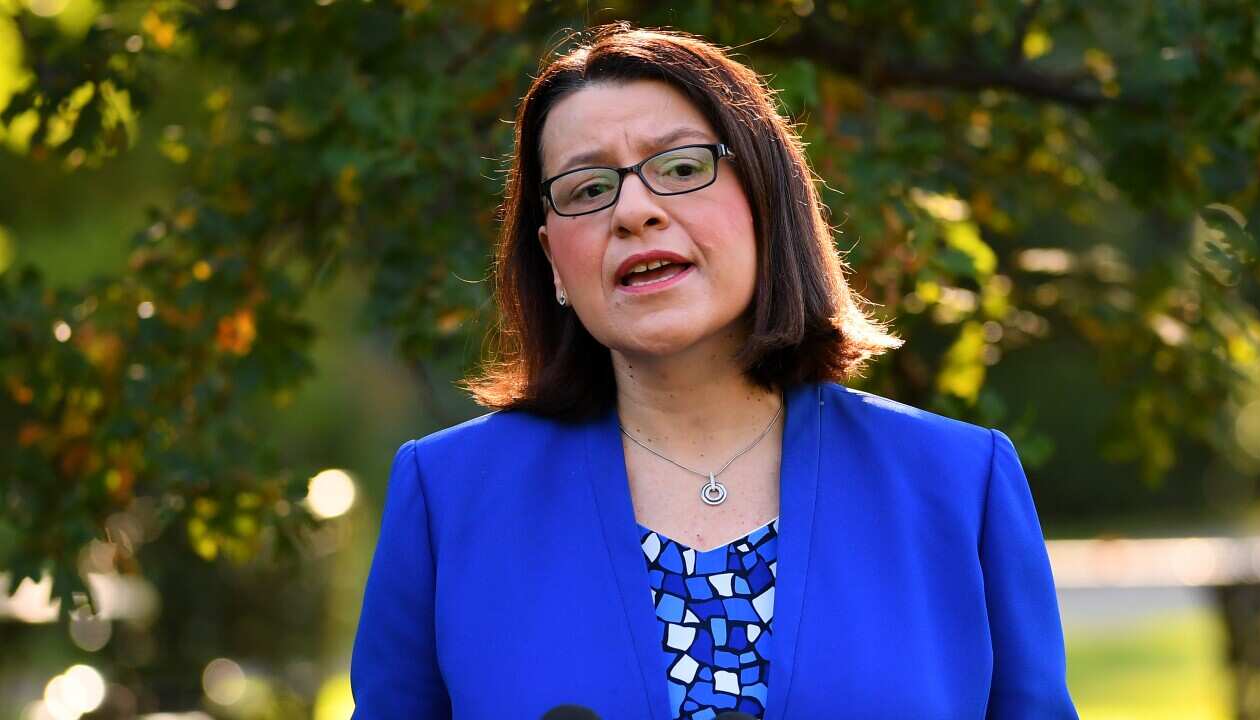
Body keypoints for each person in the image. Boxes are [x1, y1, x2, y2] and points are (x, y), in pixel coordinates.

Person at [349, 22, 1078, 720]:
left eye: (681, 167)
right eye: (587, 189)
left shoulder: (958, 482)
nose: (634, 212)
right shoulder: (449, 497)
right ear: (553, 262)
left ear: (765, 199)